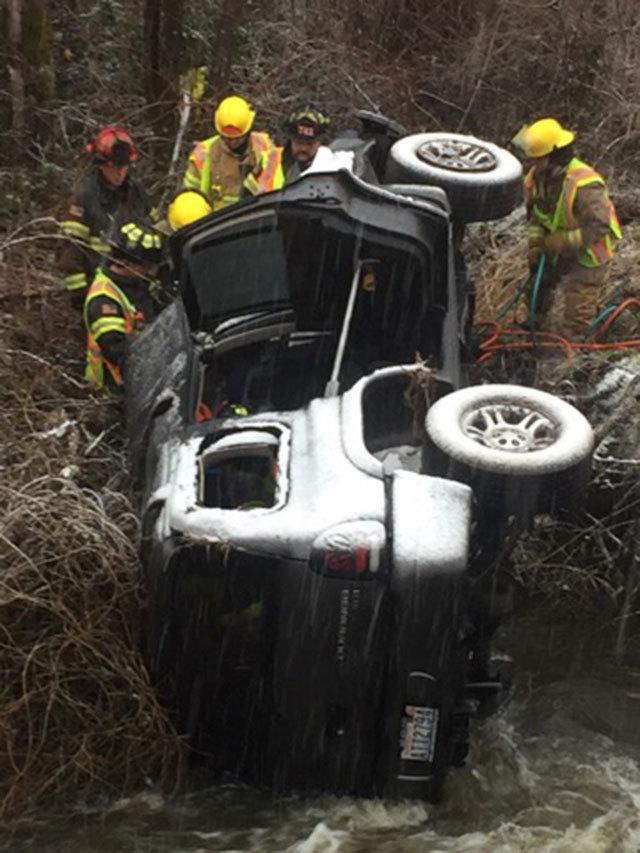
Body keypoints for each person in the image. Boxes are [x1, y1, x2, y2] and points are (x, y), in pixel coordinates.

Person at [512, 117, 622, 338]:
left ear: (554, 156)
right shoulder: (536, 179)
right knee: (538, 287)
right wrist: (536, 246)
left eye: (538, 159)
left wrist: (561, 241)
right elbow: (537, 218)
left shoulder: (584, 183)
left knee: (577, 303)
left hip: (591, 250)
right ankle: (534, 331)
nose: (532, 164)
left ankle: (576, 346)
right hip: (557, 246)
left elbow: (599, 226)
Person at [59, 126, 155, 307]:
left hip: (135, 288)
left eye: (124, 167)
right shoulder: (84, 198)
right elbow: (71, 250)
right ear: (101, 164)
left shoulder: (138, 194)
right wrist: (81, 295)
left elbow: (153, 232)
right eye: (114, 167)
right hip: (99, 289)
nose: (119, 173)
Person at [84, 218, 162, 391]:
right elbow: (115, 350)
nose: (149, 272)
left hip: (141, 382)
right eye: (146, 267)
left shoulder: (135, 287)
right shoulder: (104, 299)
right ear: (128, 264)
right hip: (114, 389)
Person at [182, 95, 283, 210]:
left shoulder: (265, 147)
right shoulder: (203, 153)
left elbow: (276, 186)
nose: (232, 143)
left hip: (255, 215)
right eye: (226, 138)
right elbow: (189, 198)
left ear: (248, 130)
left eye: (237, 138)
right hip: (216, 218)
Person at [281, 105, 332, 183]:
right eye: (299, 143)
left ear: (321, 142)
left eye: (309, 144)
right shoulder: (275, 164)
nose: (303, 148)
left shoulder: (333, 168)